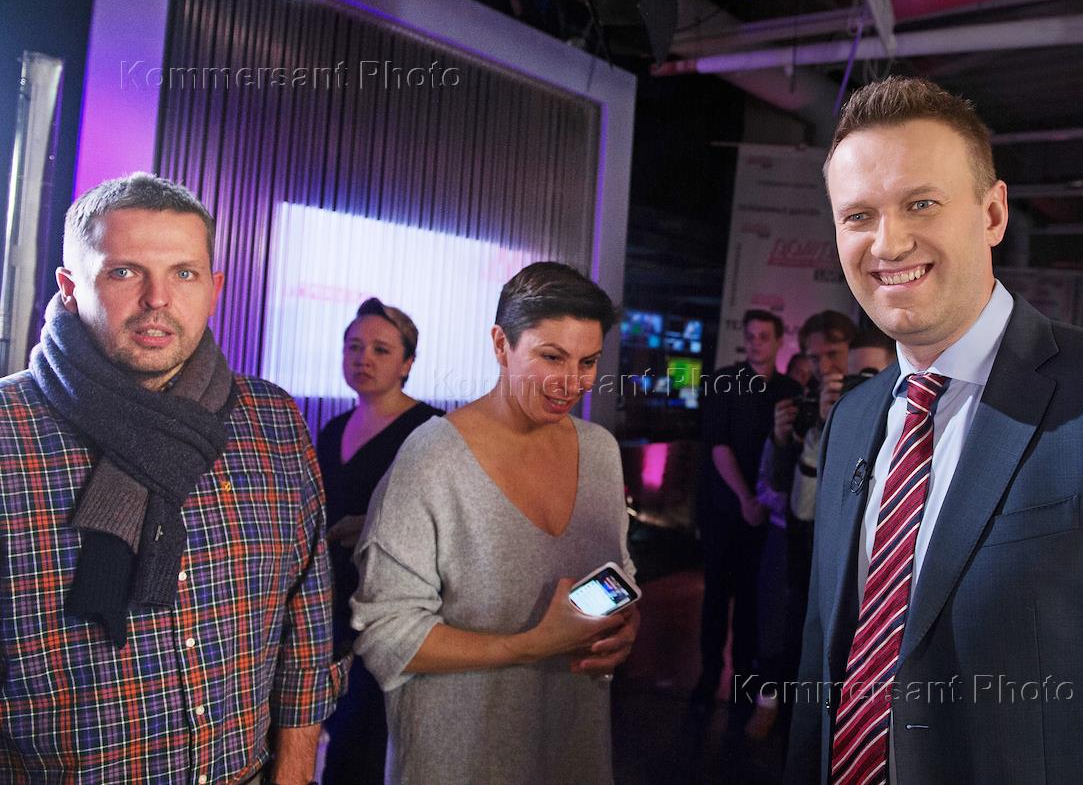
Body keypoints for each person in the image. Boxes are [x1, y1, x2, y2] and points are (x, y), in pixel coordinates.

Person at [786, 76, 1083, 784]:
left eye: (921, 203)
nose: (889, 242)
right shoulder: (852, 419)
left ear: (993, 213)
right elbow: (826, 658)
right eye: (858, 215)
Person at [0, 172, 343, 783]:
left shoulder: (271, 421)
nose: (157, 299)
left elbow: (307, 621)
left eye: (183, 273)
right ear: (70, 288)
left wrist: (294, 773)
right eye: (123, 272)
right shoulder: (9, 430)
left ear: (213, 290)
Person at [351, 261, 639, 784]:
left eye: (588, 361)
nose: (572, 382)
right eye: (551, 357)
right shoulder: (433, 456)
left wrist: (622, 625)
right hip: (456, 760)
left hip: (570, 749)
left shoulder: (600, 451)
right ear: (501, 345)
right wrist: (528, 645)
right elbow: (386, 633)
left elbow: (618, 577)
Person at [317, 298, 443, 784]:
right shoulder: (332, 430)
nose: (362, 358)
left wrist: (375, 524)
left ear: (407, 363)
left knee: (366, 747)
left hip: (392, 613)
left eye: (380, 349)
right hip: (330, 609)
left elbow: (448, 524)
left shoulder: (431, 432)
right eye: (353, 347)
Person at [747, 311, 857, 738]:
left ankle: (821, 721)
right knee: (776, 619)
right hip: (789, 532)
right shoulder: (800, 403)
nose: (823, 365)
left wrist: (837, 419)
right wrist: (780, 439)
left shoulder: (873, 401)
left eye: (833, 354)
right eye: (814, 357)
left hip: (842, 540)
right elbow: (777, 483)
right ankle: (769, 703)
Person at [693, 310, 803, 724]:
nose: (756, 343)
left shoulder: (791, 390)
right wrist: (745, 498)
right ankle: (707, 679)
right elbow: (718, 446)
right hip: (725, 511)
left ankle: (744, 682)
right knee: (716, 599)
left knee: (755, 602)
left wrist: (763, 502)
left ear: (779, 341)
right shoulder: (724, 381)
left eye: (764, 336)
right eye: (751, 336)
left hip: (769, 516)